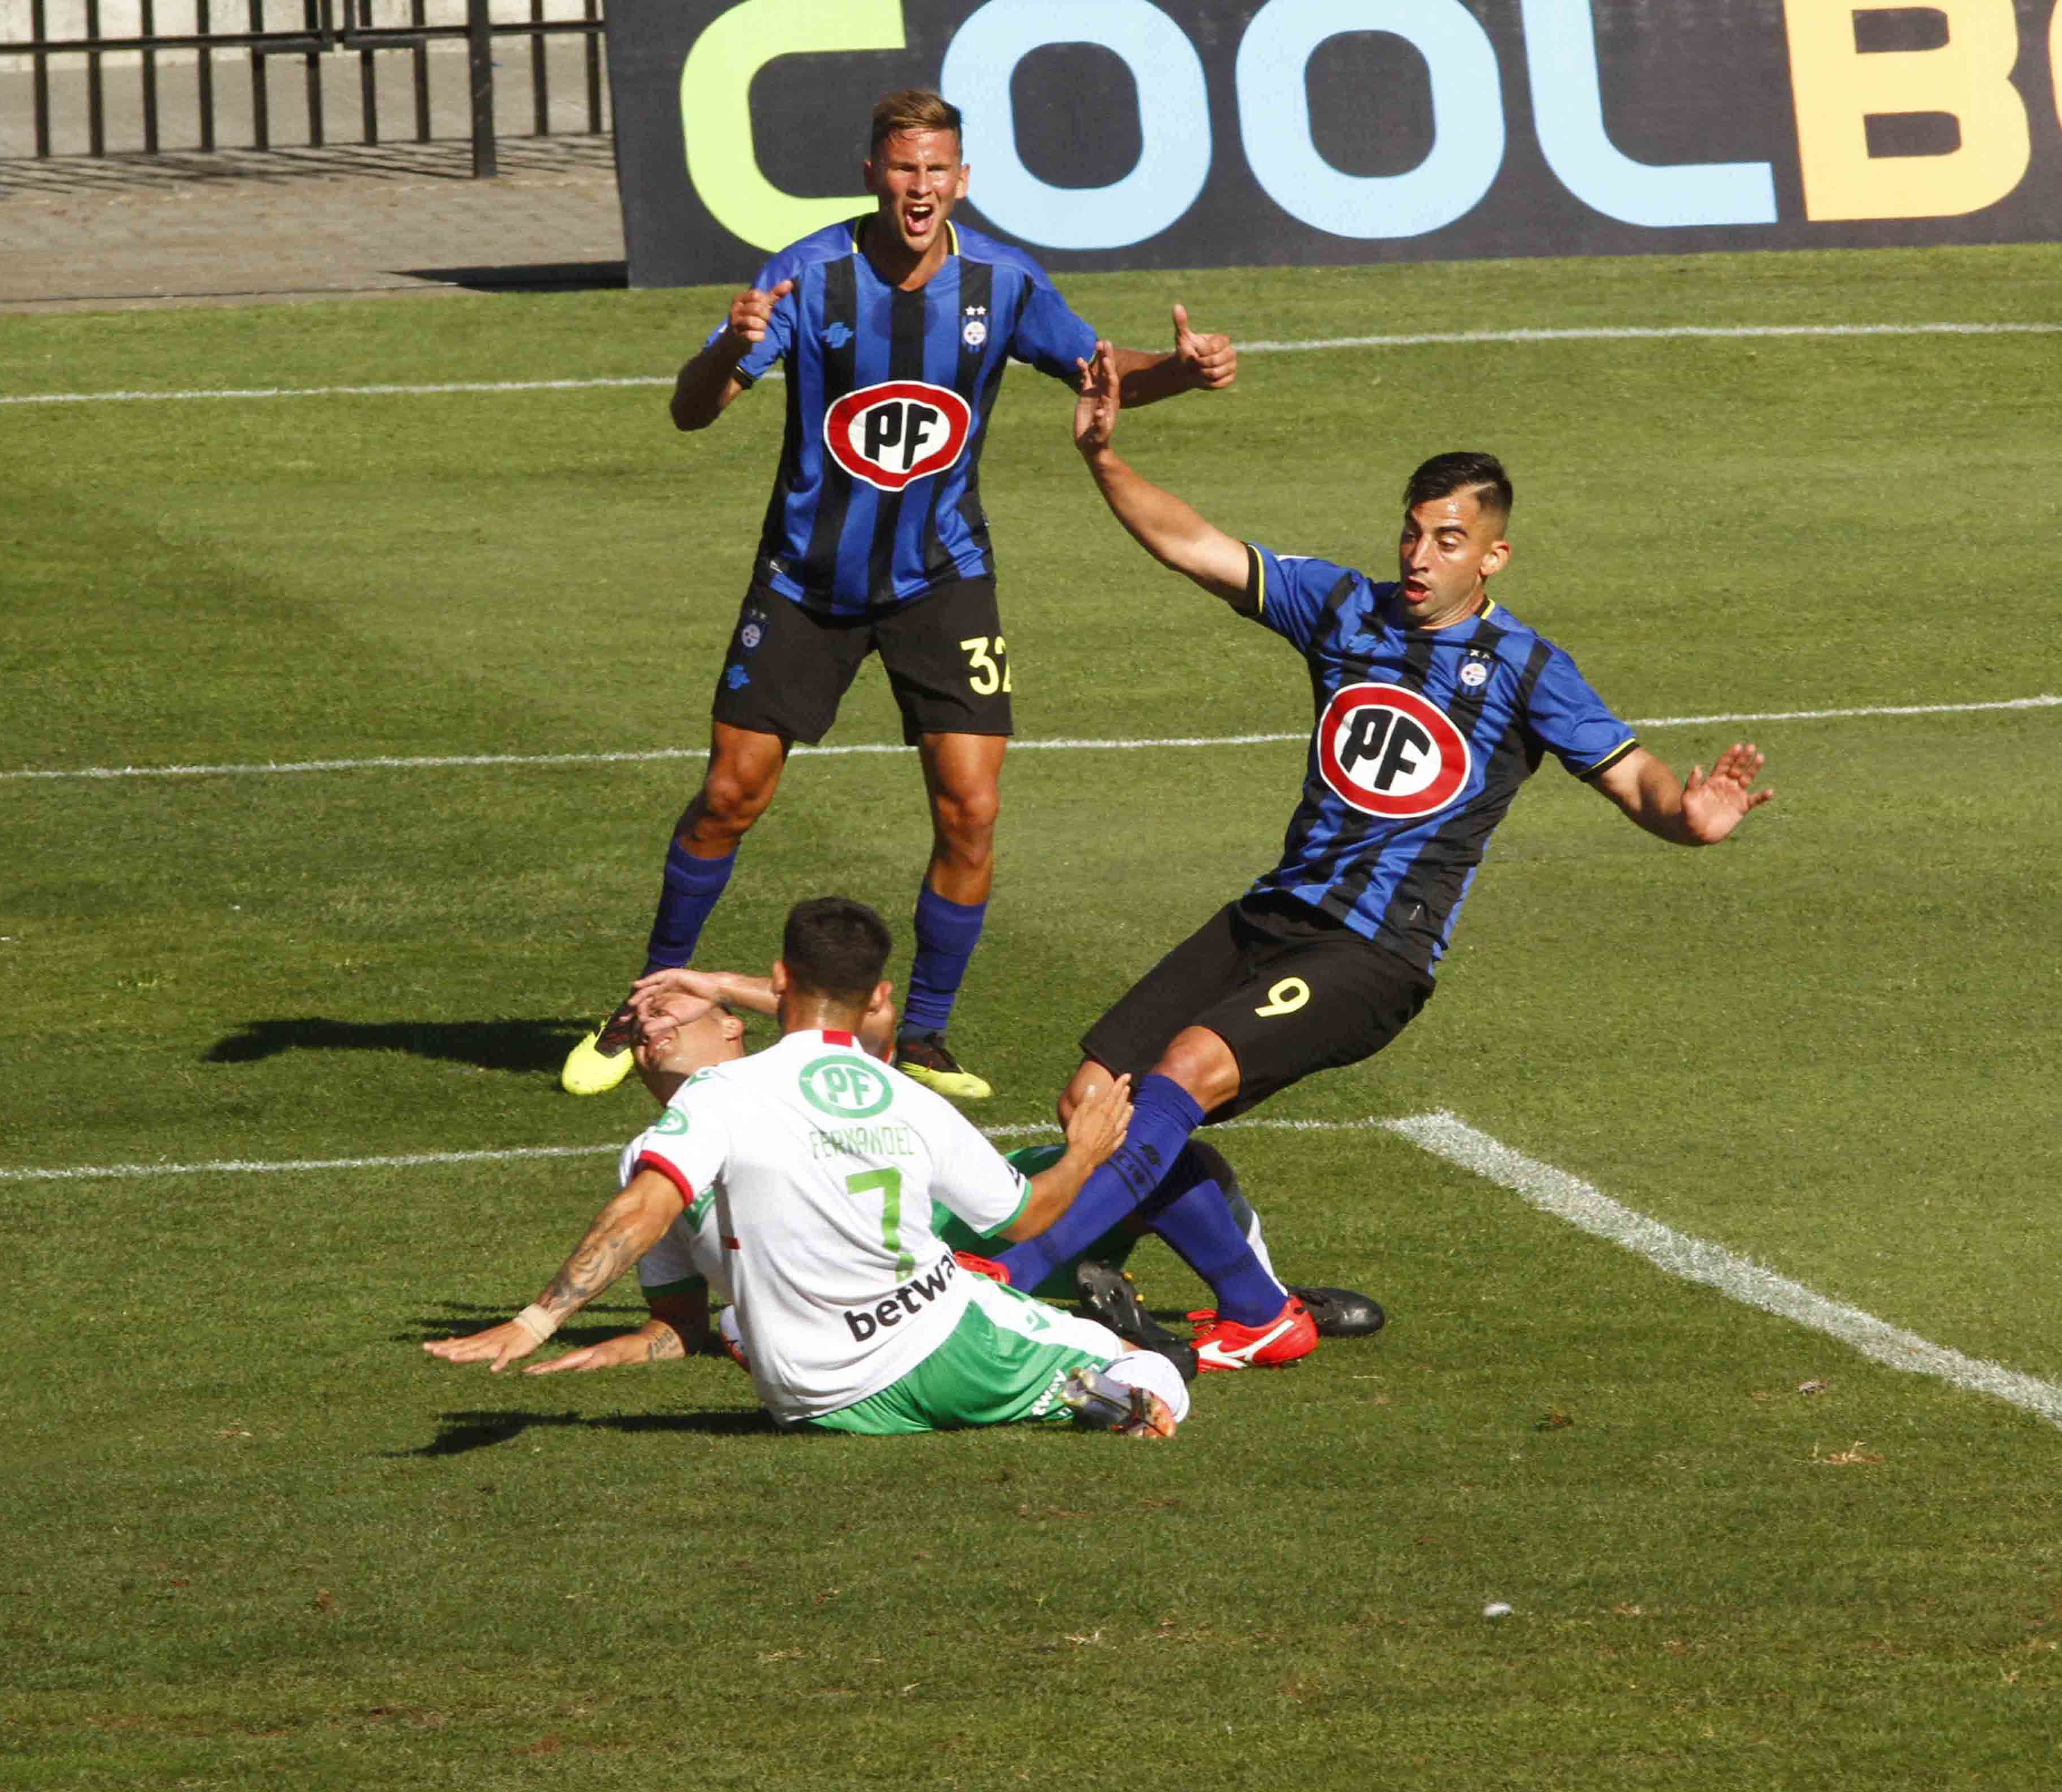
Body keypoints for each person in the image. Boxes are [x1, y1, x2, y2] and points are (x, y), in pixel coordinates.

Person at [975, 345, 1774, 1369]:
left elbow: (1636, 782)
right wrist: (1101, 458)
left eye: (1447, 539)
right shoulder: (1343, 608)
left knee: (1184, 1070)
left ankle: (1010, 1275)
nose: (1418, 555)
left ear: (1492, 557)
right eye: (1411, 531)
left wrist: (1692, 815)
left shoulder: (1528, 670)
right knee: (1094, 1097)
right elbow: (1197, 547)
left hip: (1375, 952)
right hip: (1273, 914)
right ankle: (1257, 1308)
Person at [561, 86, 1239, 1105]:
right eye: (903, 169)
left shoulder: (1003, 282)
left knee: (971, 809)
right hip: (807, 581)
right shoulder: (807, 276)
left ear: (961, 180)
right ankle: (642, 1002)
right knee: (729, 797)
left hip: (942, 578)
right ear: (872, 174)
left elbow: (1100, 375)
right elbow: (691, 413)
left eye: (938, 171)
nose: (920, 189)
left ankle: (920, 1036)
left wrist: (1181, 373)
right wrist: (726, 346)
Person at [449, 897, 1189, 1438]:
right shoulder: (903, 1095)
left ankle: (1077, 1378)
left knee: (756, 1316)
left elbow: (644, 1209)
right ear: (874, 995)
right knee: (1147, 1367)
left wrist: (537, 1319)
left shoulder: (720, 1097)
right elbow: (1026, 1215)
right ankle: (1115, 1396)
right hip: (943, 1347)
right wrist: (1087, 1152)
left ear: (777, 979)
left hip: (813, 1399)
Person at [620, 963, 1388, 1357]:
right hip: (887, 1295)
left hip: (977, 1225)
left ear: (733, 1030)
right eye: (645, 1015)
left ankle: (1262, 1306)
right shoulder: (647, 1161)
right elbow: (678, 1326)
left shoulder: (807, 1074)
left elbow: (875, 1013)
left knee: (1157, 1147)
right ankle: (1157, 1320)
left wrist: (717, 981)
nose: (654, 1016)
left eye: (673, 1004)